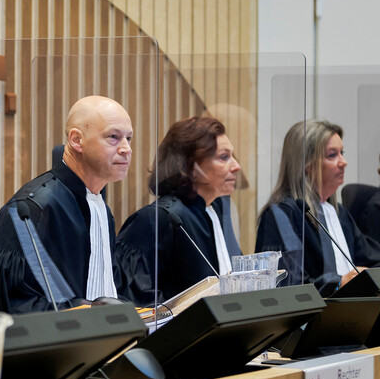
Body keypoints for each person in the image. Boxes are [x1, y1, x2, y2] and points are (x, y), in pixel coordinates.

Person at [0, 95, 134, 313]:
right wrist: (82, 309)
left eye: (128, 138)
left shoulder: (98, 205)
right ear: (76, 140)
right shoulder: (33, 210)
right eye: (113, 137)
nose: (126, 149)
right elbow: (2, 305)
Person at [114, 117, 242, 306]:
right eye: (224, 157)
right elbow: (136, 302)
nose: (236, 166)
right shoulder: (156, 218)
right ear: (191, 167)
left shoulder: (214, 212)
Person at [256, 120, 380, 295]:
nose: (343, 162)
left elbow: (371, 259)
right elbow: (289, 283)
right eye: (332, 155)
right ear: (307, 164)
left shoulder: (338, 213)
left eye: (342, 153)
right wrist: (338, 283)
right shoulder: (282, 214)